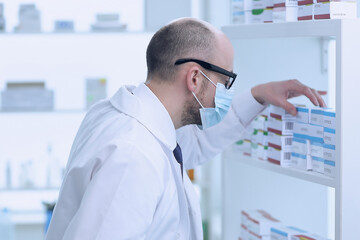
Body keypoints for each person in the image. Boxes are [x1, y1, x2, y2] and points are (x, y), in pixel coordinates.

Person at [45, 18, 326, 240]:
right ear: (194, 77)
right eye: (225, 81)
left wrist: (258, 96)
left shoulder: (127, 115)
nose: (226, 93)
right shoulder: (133, 156)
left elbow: (193, 144)